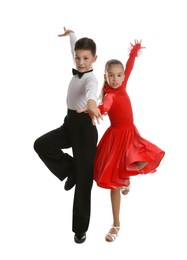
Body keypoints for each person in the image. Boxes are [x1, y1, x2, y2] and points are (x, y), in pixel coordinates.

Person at [80, 40, 165, 242]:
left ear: (123, 76)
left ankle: (127, 179)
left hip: (130, 134)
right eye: (111, 75)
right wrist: (94, 109)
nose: (115, 79)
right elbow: (106, 108)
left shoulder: (123, 84)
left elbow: (130, 67)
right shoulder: (108, 94)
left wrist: (134, 53)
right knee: (114, 184)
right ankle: (116, 224)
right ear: (105, 76)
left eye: (119, 75)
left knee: (145, 159)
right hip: (116, 139)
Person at [33, 27, 102, 244]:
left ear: (94, 59)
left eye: (86, 58)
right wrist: (71, 34)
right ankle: (70, 170)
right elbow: (74, 46)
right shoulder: (77, 61)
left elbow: (92, 95)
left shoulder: (91, 80)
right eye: (78, 57)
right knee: (41, 145)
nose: (81, 62)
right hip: (70, 123)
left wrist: (92, 104)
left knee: (84, 182)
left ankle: (80, 229)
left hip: (84, 129)